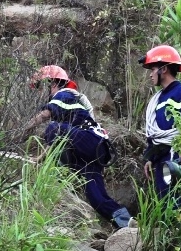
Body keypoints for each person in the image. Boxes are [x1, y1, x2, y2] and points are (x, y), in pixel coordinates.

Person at [25, 65, 131, 228]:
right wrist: (38, 159)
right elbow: (56, 141)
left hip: (89, 141)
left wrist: (20, 131)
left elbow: (46, 117)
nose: (39, 93)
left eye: (40, 86)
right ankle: (128, 223)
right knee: (96, 197)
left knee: (53, 129)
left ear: (52, 84)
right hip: (95, 148)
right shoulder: (68, 111)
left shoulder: (64, 94)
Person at [138, 45, 181, 204]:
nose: (150, 75)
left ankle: (178, 228)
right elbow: (154, 132)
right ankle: (168, 228)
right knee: (163, 198)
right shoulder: (157, 99)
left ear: (163, 69)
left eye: (153, 69)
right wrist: (150, 157)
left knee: (175, 198)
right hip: (160, 156)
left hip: (175, 153)